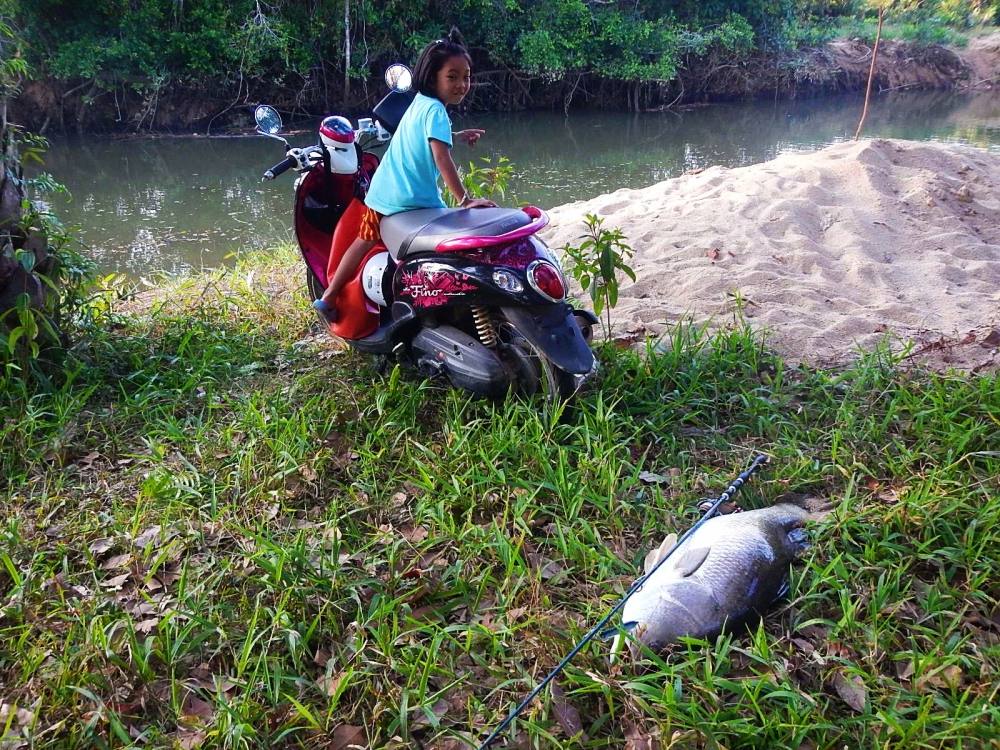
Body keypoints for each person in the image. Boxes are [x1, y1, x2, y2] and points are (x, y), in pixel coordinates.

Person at [314, 27, 495, 323]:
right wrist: (465, 200)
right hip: (410, 202)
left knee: (361, 243)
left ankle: (329, 296)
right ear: (432, 76)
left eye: (467, 76)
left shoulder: (421, 104)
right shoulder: (436, 111)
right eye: (453, 76)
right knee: (435, 252)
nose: (462, 84)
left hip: (383, 194)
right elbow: (440, 155)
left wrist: (458, 135)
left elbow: (430, 138)